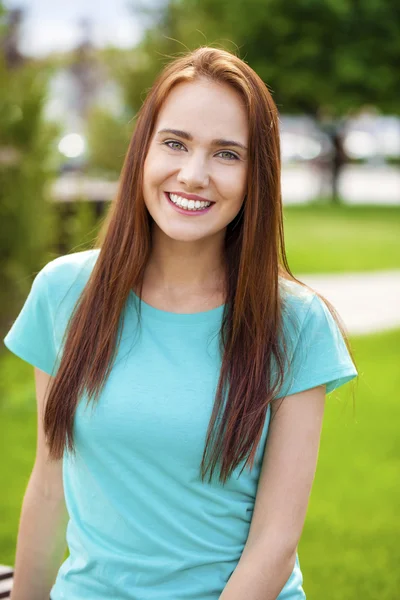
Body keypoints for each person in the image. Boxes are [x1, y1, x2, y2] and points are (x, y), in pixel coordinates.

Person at [3, 47, 358, 600]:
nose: (193, 175)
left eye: (226, 153)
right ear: (142, 151)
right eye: (175, 143)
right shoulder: (64, 292)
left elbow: (275, 541)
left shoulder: (296, 324)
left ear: (256, 175)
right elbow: (49, 485)